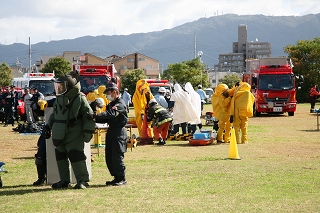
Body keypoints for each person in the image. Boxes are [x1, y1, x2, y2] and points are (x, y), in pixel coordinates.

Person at [45, 73, 95, 189]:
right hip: (59, 132)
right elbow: (54, 114)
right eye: (58, 86)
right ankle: (64, 180)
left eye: (61, 86)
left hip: (74, 134)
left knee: (76, 156)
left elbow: (89, 116)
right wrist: (48, 126)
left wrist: (87, 133)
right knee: (60, 156)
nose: (58, 88)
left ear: (68, 86)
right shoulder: (59, 99)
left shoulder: (80, 98)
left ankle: (82, 180)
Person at [95, 82, 128, 186]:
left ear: (115, 92)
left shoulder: (120, 104)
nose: (107, 95)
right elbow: (105, 117)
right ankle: (116, 177)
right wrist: (94, 118)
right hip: (111, 130)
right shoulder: (111, 104)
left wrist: (95, 116)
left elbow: (111, 114)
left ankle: (121, 178)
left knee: (117, 155)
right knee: (109, 156)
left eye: (108, 93)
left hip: (119, 131)